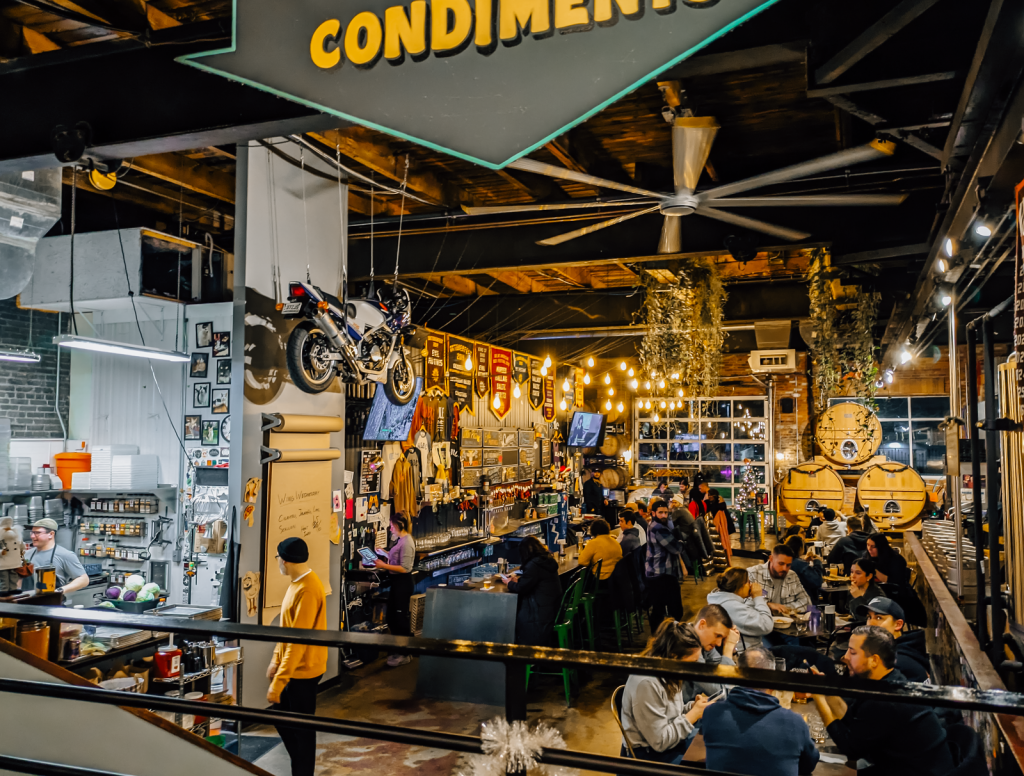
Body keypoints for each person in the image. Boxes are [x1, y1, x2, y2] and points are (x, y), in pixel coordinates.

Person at [812, 626, 953, 776]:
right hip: (899, 766)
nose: (845, 657)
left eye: (852, 652)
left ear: (874, 660)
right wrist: (826, 690)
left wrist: (818, 698)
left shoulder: (886, 700)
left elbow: (850, 749)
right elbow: (850, 719)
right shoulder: (885, 681)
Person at [703, 646, 819, 776]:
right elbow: (809, 764)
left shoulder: (712, 714)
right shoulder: (795, 723)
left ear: (736, 675)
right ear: (772, 679)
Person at [267, 537, 328, 776]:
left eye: (277, 558)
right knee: (285, 718)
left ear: (284, 560)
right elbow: (287, 629)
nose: (278, 563)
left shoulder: (308, 589)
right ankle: (301, 768)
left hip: (304, 669)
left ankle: (302, 772)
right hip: (295, 666)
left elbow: (298, 642)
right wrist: (275, 659)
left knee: (302, 728)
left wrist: (279, 681)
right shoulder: (297, 583)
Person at [619, 620, 712, 764]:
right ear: (674, 656)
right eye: (692, 663)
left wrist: (692, 707)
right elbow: (660, 742)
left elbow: (670, 713)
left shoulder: (669, 670)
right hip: (649, 755)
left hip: (667, 745)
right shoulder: (647, 683)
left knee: (714, 745)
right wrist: (693, 715)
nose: (694, 669)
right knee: (711, 761)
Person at [373, 512, 416, 666]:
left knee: (399, 619)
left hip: (403, 583)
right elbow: (397, 557)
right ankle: (398, 650)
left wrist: (383, 565)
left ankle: (405, 654)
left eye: (391, 526)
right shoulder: (401, 541)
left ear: (398, 526)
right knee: (392, 617)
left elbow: (405, 568)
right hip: (397, 583)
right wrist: (383, 553)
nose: (390, 528)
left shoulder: (407, 542)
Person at [855, 597, 929, 682]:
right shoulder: (907, 647)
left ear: (898, 624)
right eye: (869, 617)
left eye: (879, 618)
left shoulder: (894, 662)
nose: (870, 624)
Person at [504, 536, 561, 646]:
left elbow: (521, 589)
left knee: (514, 618)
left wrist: (509, 583)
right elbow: (529, 583)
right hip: (553, 606)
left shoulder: (533, 565)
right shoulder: (547, 559)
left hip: (541, 611)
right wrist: (517, 582)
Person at [707, 567, 773, 651]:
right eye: (748, 582)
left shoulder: (722, 598)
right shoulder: (731, 606)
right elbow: (767, 625)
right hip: (746, 655)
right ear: (741, 585)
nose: (751, 585)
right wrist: (758, 597)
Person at [20, 518, 89, 597]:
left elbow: (83, 579)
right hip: (27, 603)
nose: (32, 536)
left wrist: (60, 590)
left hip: (52, 604)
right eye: (32, 532)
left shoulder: (65, 555)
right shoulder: (26, 554)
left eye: (37, 533)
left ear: (51, 534)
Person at [645, 499, 688, 623]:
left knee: (661, 610)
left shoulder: (655, 524)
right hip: (661, 574)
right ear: (653, 513)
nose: (664, 515)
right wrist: (681, 542)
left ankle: (661, 638)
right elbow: (676, 548)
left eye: (666, 512)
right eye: (660, 513)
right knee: (672, 610)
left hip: (659, 572)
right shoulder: (658, 528)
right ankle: (662, 638)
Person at [686, 604, 740, 702]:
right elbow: (722, 692)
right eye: (717, 635)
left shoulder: (703, 642)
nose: (719, 644)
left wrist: (732, 651)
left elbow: (721, 674)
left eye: (722, 638)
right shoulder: (688, 646)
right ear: (702, 625)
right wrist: (728, 647)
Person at [746, 544, 811, 614]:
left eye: (788, 565)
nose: (785, 568)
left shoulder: (792, 576)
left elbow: (807, 602)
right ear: (771, 558)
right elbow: (743, 602)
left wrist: (783, 608)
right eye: (781, 563)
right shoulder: (752, 574)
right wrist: (768, 605)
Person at [785, 535, 823, 606]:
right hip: (804, 603)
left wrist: (803, 561)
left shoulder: (784, 562)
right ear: (800, 549)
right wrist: (817, 562)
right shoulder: (799, 565)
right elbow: (816, 581)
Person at [705, 489, 733, 565]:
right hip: (718, 528)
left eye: (710, 495)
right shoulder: (719, 504)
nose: (709, 496)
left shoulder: (717, 506)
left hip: (717, 528)